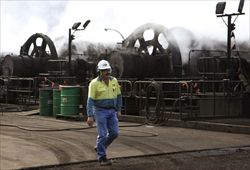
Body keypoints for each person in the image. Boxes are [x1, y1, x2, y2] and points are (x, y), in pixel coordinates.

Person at [86, 59, 122, 166]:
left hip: (112, 110)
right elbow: (90, 100)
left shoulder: (114, 81)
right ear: (100, 72)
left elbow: (119, 96)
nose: (107, 72)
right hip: (99, 111)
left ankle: (100, 147)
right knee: (102, 134)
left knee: (114, 133)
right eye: (104, 70)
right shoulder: (94, 84)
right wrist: (90, 116)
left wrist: (118, 109)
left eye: (108, 70)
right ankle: (102, 158)